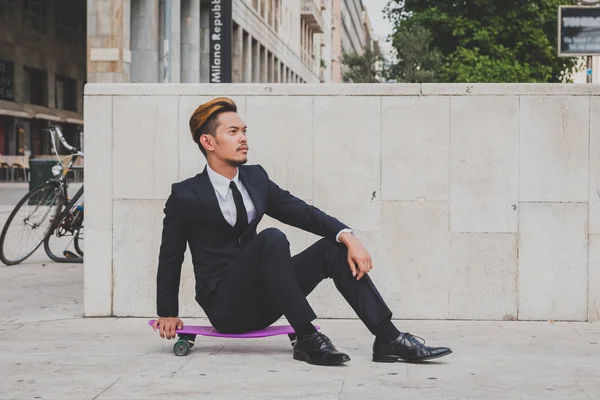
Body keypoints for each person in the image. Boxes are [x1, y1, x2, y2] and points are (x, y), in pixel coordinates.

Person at [152, 97, 452, 366]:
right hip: (226, 306)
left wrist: (347, 235)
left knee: (333, 249)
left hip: (266, 299)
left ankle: (388, 338)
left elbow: (301, 212)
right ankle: (307, 337)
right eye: (233, 132)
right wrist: (167, 311)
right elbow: (171, 256)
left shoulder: (255, 178)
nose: (243, 139)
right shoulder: (186, 194)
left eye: (244, 131)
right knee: (272, 238)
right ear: (208, 141)